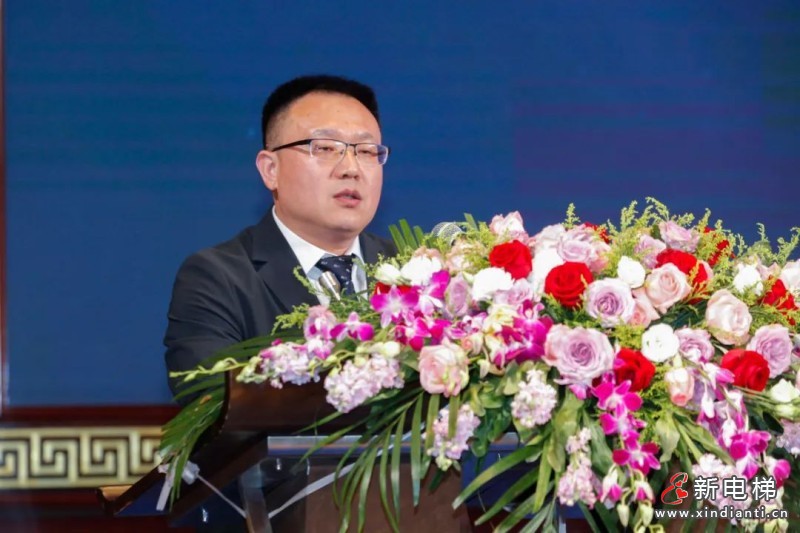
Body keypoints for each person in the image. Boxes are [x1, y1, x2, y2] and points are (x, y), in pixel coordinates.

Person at [164, 75, 396, 401]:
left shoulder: (413, 272)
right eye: (325, 148)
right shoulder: (218, 278)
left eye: (367, 151)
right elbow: (211, 401)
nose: (351, 168)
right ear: (270, 169)